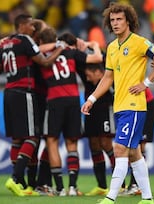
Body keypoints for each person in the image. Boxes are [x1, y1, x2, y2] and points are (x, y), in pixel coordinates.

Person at [81, 2, 154, 204]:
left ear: (128, 21)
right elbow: (107, 78)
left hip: (134, 106)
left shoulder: (139, 42)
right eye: (112, 20)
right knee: (134, 153)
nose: (115, 23)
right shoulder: (112, 47)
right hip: (120, 106)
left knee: (120, 148)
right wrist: (91, 99)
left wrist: (146, 83)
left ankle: (110, 198)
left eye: (119, 19)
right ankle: (147, 198)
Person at [0, 14, 64, 197]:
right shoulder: (25, 41)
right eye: (31, 25)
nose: (33, 28)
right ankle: (16, 178)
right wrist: (60, 49)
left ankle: (26, 184)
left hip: (8, 92)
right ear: (23, 25)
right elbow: (45, 62)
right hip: (26, 92)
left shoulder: (4, 42)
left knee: (18, 139)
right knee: (33, 137)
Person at [37, 29, 103, 196]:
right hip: (73, 99)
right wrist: (93, 45)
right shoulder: (70, 52)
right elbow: (97, 58)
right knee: (71, 144)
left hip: (54, 100)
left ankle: (59, 188)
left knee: (52, 142)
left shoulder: (40, 55)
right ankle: (72, 187)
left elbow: (36, 50)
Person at [82, 63, 116, 196]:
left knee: (106, 144)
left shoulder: (111, 79)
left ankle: (121, 185)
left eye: (89, 75)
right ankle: (101, 186)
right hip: (91, 114)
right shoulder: (89, 82)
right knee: (94, 146)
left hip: (105, 112)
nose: (88, 79)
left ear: (99, 73)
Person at [126, 88, 154, 195]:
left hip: (146, 105)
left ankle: (136, 185)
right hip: (136, 106)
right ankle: (135, 185)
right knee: (134, 145)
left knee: (139, 145)